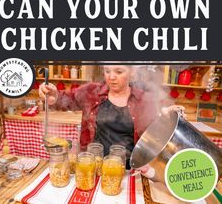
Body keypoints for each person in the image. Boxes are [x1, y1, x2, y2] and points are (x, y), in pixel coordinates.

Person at [39, 65, 184, 169]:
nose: (111, 76)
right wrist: (54, 97)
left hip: (129, 169)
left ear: (132, 72)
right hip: (91, 166)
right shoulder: (91, 92)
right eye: (107, 71)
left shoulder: (144, 99)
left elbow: (161, 119)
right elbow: (66, 99)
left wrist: (169, 116)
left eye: (119, 71)